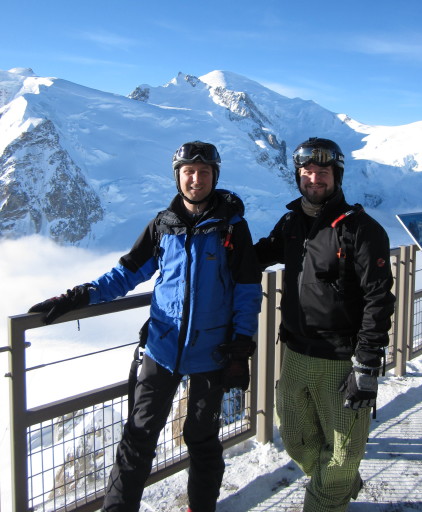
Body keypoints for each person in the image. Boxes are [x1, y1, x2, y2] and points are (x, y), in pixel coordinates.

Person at [29, 140, 263, 512]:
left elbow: (248, 291)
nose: (196, 180)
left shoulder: (232, 229)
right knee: (137, 438)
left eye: (204, 173)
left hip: (211, 354)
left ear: (214, 176)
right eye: (189, 172)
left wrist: (241, 346)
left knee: (201, 439)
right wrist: (79, 295)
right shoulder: (162, 226)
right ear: (178, 177)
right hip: (161, 349)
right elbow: (126, 273)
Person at [254, 137, 396, 512]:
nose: (315, 178)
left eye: (323, 172)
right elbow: (253, 259)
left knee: (342, 451)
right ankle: (340, 478)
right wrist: (224, 227)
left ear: (337, 176)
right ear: (298, 176)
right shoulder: (290, 223)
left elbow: (379, 299)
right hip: (296, 352)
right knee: (297, 438)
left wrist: (366, 364)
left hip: (341, 359)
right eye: (307, 172)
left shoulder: (362, 230)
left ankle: (330, 492)